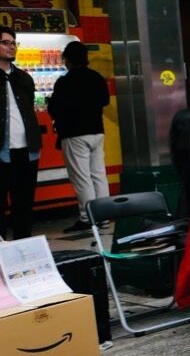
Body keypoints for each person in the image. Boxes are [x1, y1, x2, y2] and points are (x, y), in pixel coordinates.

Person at [47, 41, 110, 233]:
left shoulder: (65, 81)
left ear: (67, 60)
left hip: (74, 135)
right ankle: (105, 216)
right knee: (99, 175)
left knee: (82, 178)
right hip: (97, 131)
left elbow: (54, 108)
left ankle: (87, 217)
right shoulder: (96, 77)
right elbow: (105, 101)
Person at [0, 27, 39, 239]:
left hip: (27, 150)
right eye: (5, 42)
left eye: (13, 42)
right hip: (1, 151)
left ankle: (24, 248)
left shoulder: (24, 78)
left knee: (24, 204)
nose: (11, 46)